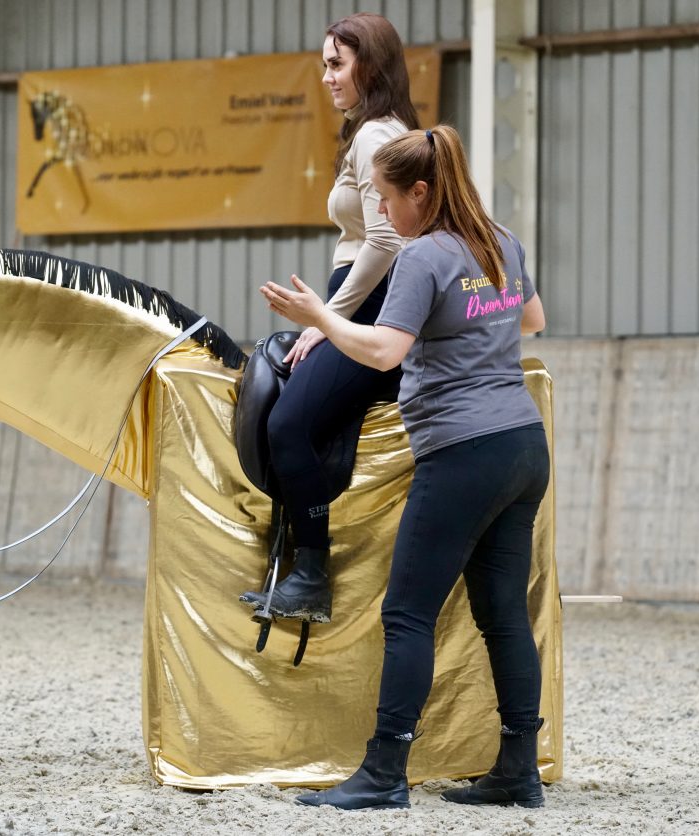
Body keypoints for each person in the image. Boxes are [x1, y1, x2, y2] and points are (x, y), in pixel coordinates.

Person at [259, 124, 550, 811]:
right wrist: (475, 329)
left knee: (407, 614)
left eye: (387, 201)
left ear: (421, 192)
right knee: (504, 613)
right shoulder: (501, 241)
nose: (381, 215)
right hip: (522, 447)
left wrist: (319, 316)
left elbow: (384, 352)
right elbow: (532, 319)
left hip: (463, 451)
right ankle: (519, 769)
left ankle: (384, 772)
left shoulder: (424, 257)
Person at [239, 12, 419, 625]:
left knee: (288, 423)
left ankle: (312, 571)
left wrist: (326, 319)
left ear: (369, 66)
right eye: (324, 64)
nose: (328, 76)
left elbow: (387, 241)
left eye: (336, 64)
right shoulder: (377, 131)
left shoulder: (375, 139)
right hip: (356, 297)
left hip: (364, 303)